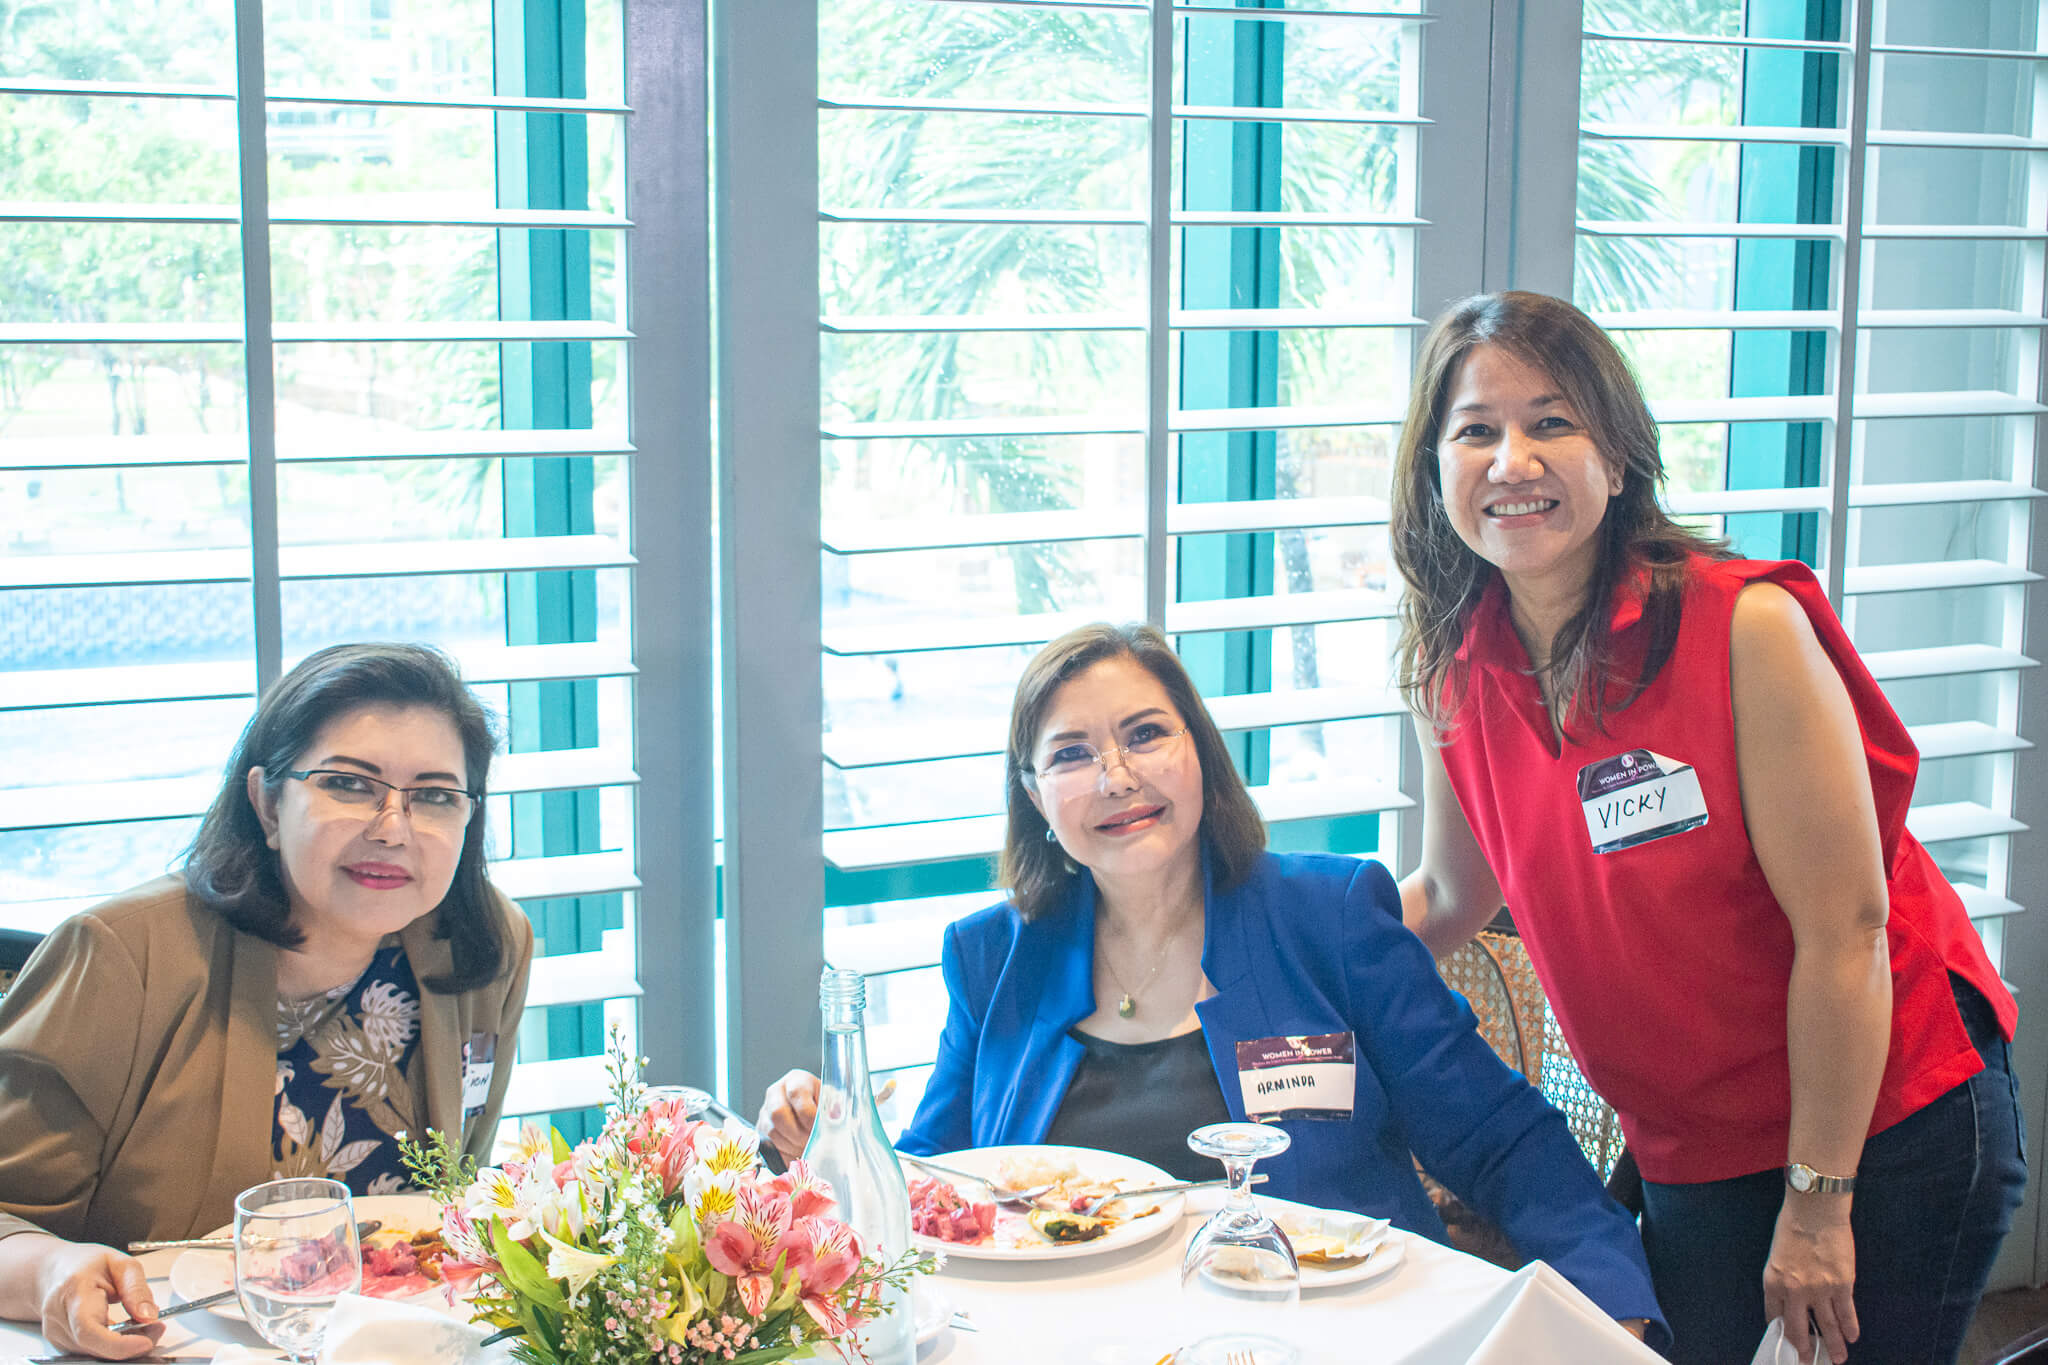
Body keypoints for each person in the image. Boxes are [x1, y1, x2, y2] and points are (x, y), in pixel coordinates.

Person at [1391, 290, 2025, 1365]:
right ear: (1431, 468)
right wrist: (1269, 967)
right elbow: (1452, 898)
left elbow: (1846, 931)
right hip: (1689, 1142)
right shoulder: (1452, 668)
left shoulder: (1743, 628)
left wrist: (1818, 1206)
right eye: (1475, 430)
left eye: (1552, 422)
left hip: (1875, 1127)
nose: (1512, 461)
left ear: (1618, 454)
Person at [761, 622, 1666, 1343]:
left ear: (1199, 752)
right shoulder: (994, 956)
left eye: (1146, 734)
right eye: (1071, 754)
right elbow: (930, 1189)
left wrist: (1615, 1315)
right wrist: (826, 1144)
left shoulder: (1332, 916)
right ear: (1035, 797)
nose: (1116, 777)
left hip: (1328, 1340)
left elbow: (1501, 1141)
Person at [0, 643, 534, 1360]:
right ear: (267, 803)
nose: (393, 826)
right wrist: (50, 1270)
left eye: (435, 795)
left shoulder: (486, 944)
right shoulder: (120, 955)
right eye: (349, 783)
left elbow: (451, 1206)